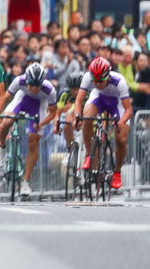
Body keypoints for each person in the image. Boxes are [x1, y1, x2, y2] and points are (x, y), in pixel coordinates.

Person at [0, 62, 58, 197]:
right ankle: (1, 146)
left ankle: (25, 181)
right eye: (31, 85)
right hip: (21, 100)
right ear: (26, 80)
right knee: (7, 122)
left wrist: (41, 124)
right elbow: (4, 98)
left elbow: (52, 113)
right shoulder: (19, 81)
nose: (34, 89)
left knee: (33, 141)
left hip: (38, 107)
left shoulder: (50, 90)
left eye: (37, 86)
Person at [74, 57, 133, 190]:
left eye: (101, 81)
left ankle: (117, 171)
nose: (98, 84)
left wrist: (121, 122)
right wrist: (78, 117)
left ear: (108, 76)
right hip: (99, 98)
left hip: (117, 103)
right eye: (95, 81)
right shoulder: (88, 77)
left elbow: (128, 110)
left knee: (121, 140)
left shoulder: (119, 82)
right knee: (87, 118)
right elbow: (78, 101)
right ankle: (89, 154)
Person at [55, 72, 84, 148]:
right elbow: (57, 114)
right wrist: (56, 126)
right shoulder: (64, 94)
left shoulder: (89, 93)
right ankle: (70, 148)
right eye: (73, 89)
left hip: (86, 111)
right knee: (68, 121)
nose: (75, 92)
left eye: (78, 88)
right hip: (75, 111)